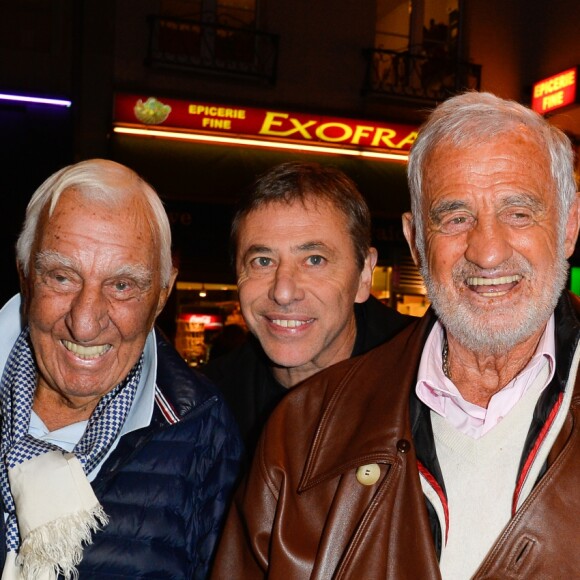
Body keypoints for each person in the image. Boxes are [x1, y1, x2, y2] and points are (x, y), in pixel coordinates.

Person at [212, 92, 580, 579]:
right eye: (454, 217)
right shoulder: (299, 432)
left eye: (518, 212)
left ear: (570, 225)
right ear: (415, 242)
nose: (487, 252)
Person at [0, 159, 242, 579]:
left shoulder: (204, 431)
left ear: (161, 296)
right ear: (26, 276)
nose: (85, 321)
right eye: (61, 276)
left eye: (122, 285)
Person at [202, 161, 411, 455]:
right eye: (262, 261)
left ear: (364, 274)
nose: (283, 292)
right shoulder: (206, 405)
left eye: (314, 260)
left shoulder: (431, 383)